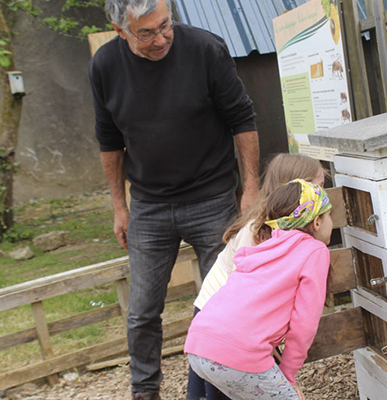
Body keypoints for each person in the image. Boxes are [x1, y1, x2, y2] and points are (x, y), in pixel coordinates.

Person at [88, 1, 260, 398]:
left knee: (223, 301)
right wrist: (119, 206)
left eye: (165, 25)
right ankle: (144, 391)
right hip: (149, 205)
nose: (161, 38)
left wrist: (249, 188)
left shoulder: (205, 49)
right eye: (146, 33)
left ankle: (225, 387)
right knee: (142, 312)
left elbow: (242, 119)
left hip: (212, 197)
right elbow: (109, 140)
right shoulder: (105, 66)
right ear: (120, 32)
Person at [187, 154, 326, 400]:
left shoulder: (273, 233)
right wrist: (287, 375)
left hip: (208, 331)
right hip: (224, 316)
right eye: (318, 187)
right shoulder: (263, 232)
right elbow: (303, 322)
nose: (322, 192)